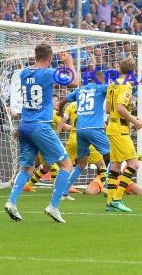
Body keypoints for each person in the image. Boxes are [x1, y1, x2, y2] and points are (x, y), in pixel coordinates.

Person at [4, 44, 78, 223]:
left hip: (25, 125)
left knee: (28, 168)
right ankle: (53, 206)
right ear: (51, 57)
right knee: (66, 165)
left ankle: (11, 202)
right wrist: (69, 63)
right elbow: (75, 82)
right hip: (41, 126)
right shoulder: (47, 73)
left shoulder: (24, 73)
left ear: (35, 55)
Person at [57, 70, 110, 200]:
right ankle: (108, 186)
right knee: (113, 154)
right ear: (101, 78)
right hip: (94, 128)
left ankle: (64, 192)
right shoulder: (101, 88)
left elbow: (62, 101)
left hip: (79, 130)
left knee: (81, 164)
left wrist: (60, 112)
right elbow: (116, 88)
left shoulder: (80, 90)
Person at [105, 58, 142, 212]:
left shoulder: (112, 84)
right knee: (134, 164)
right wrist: (135, 121)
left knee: (115, 166)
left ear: (120, 69)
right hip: (120, 129)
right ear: (132, 72)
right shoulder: (126, 86)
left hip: (111, 128)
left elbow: (108, 109)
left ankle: (109, 202)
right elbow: (121, 108)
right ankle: (117, 199)